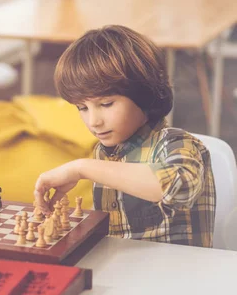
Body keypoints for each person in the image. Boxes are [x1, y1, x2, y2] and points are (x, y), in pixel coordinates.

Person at [34, 25, 216, 247]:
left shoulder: (178, 144)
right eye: (82, 108)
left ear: (143, 94)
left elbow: (178, 187)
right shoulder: (104, 153)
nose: (93, 121)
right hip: (125, 270)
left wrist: (82, 168)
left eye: (106, 104)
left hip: (179, 275)